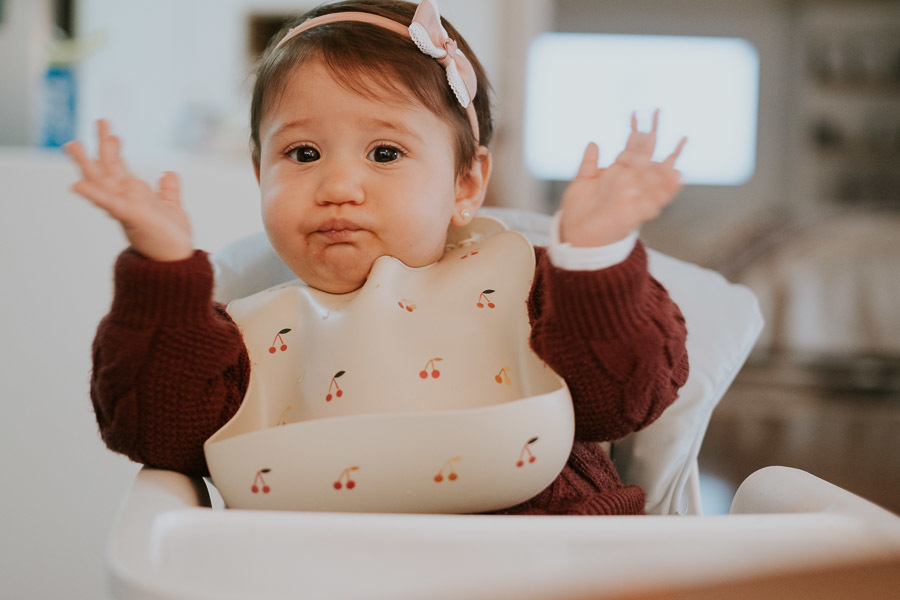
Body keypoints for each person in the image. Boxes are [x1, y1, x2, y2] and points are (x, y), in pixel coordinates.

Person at [65, 0, 689, 515]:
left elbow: (624, 398)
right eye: (302, 154)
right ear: (259, 175)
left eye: (385, 154)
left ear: (465, 184)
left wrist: (595, 259)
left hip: (550, 563)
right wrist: (164, 269)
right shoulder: (235, 342)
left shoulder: (534, 290)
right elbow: (154, 432)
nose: (338, 185)